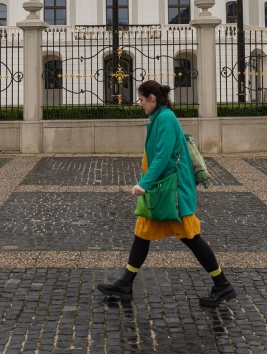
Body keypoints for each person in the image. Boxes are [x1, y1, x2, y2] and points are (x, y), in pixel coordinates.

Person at [96, 80, 236, 307]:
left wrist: (144, 183)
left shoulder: (166, 119)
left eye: (141, 99)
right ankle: (126, 283)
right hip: (163, 190)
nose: (140, 104)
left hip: (174, 191)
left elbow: (162, 156)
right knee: (142, 232)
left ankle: (222, 284)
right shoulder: (160, 117)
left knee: (191, 236)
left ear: (152, 98)